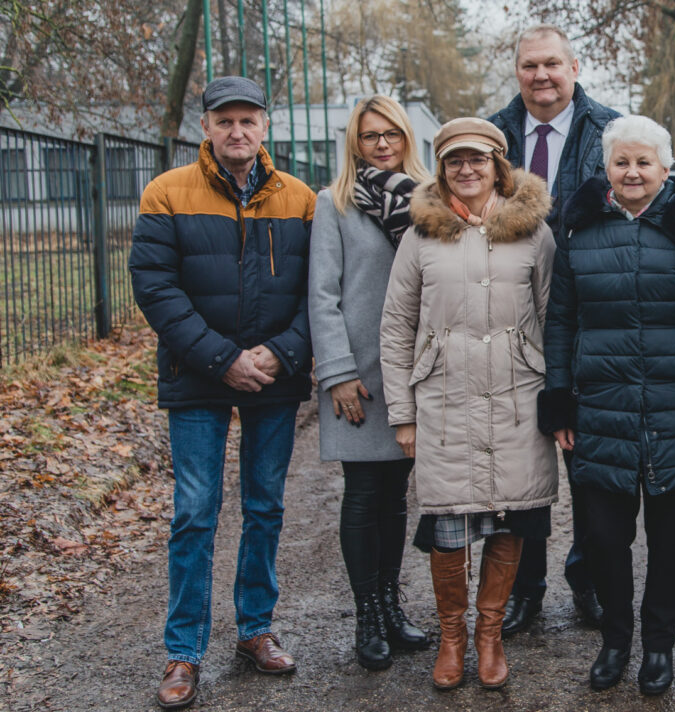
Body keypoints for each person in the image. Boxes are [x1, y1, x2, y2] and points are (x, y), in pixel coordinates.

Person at [540, 115, 675, 695]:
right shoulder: (577, 228)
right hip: (601, 412)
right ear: (606, 168)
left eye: (644, 162)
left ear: (665, 166)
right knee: (605, 539)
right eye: (621, 162)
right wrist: (559, 403)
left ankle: (658, 647)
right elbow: (561, 320)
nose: (632, 172)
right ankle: (615, 641)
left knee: (668, 540)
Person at [129, 76, 316, 710]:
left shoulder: (300, 199)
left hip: (274, 375)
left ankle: (255, 630)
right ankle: (183, 652)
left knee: (265, 507)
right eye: (225, 120)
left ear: (266, 127)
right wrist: (220, 359)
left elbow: (318, 293)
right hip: (197, 377)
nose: (238, 131)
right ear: (205, 126)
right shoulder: (167, 193)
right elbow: (156, 289)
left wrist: (283, 352)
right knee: (195, 512)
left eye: (249, 120)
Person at [379, 118, 559, 691]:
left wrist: (559, 403)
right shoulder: (420, 236)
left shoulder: (533, 233)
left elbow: (555, 318)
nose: (467, 169)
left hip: (516, 399)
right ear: (442, 169)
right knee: (449, 523)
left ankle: (490, 634)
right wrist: (402, 413)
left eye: (477, 159)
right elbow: (396, 326)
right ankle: (452, 636)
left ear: (498, 166)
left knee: (511, 514)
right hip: (444, 399)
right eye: (455, 161)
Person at [487, 21, 621, 637]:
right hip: (513, 325)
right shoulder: (493, 135)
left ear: (572, 66)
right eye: (529, 66)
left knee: (589, 469)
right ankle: (525, 589)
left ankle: (588, 578)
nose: (540, 76)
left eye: (551, 65)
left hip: (591, 326)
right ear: (517, 71)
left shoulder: (612, 131)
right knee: (521, 472)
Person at [307, 95, 432, 671]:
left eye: (391, 134)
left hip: (411, 371)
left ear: (407, 138)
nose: (382, 144)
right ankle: (368, 615)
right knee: (362, 492)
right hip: (357, 374)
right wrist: (336, 374)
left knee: (396, 494)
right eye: (369, 136)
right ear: (353, 144)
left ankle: (391, 605)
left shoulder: (430, 201)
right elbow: (323, 295)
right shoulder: (333, 205)